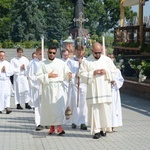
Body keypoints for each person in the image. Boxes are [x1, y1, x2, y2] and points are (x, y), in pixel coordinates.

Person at [79, 42, 117, 139]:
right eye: (96, 53)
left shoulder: (107, 60)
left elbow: (114, 72)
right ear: (92, 51)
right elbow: (81, 74)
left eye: (99, 52)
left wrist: (106, 72)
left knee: (105, 110)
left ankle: (103, 129)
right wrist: (93, 73)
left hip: (105, 90)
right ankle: (96, 131)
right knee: (95, 111)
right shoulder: (86, 61)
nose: (98, 55)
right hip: (94, 91)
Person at [36, 46, 72, 135]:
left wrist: (69, 75)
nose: (52, 54)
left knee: (59, 108)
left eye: (53, 53)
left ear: (56, 53)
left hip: (58, 88)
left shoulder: (61, 63)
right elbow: (38, 76)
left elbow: (67, 73)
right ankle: (52, 127)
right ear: (47, 53)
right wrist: (47, 76)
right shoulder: (42, 64)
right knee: (50, 108)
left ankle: (59, 127)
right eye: (50, 52)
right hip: (48, 88)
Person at [68, 45, 88, 130]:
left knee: (83, 104)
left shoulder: (86, 61)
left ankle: (83, 122)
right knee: (75, 103)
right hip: (75, 84)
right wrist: (74, 75)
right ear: (75, 52)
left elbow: (88, 72)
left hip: (83, 84)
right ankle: (74, 121)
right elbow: (68, 73)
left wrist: (82, 74)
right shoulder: (71, 62)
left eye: (81, 51)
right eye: (78, 51)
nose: (80, 52)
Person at [27, 47, 43, 131]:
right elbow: (30, 75)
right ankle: (38, 123)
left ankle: (45, 121)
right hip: (36, 86)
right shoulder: (32, 63)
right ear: (36, 54)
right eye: (39, 54)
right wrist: (37, 79)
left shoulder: (45, 62)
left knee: (44, 105)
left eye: (42, 53)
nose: (41, 55)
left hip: (44, 86)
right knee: (37, 105)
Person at [107, 53, 124, 131]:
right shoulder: (105, 69)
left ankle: (113, 124)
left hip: (114, 91)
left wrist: (115, 82)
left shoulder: (116, 70)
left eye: (112, 57)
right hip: (106, 91)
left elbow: (121, 80)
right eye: (109, 57)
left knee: (114, 107)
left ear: (113, 59)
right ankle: (107, 125)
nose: (110, 59)